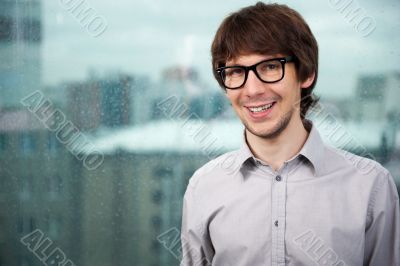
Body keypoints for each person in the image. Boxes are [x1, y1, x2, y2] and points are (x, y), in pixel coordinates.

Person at [179, 2, 400, 266]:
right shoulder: (203, 187)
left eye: (271, 67)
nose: (252, 90)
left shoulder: (371, 187)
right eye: (236, 72)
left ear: (306, 74)